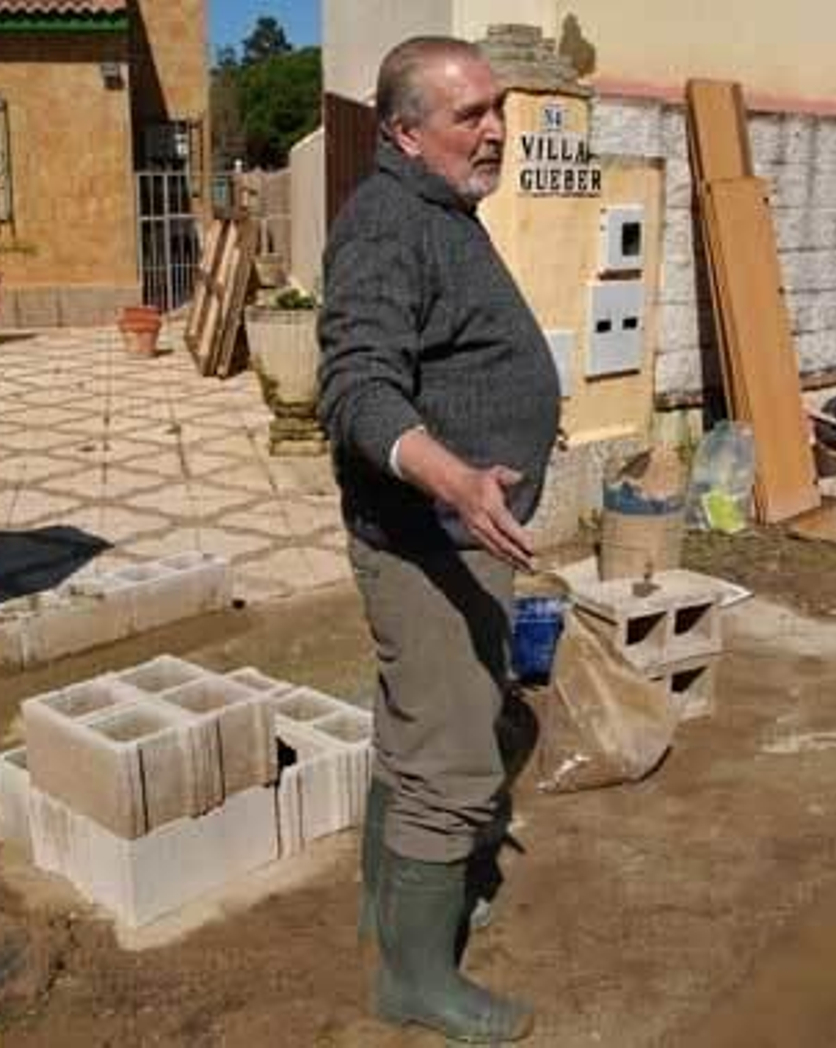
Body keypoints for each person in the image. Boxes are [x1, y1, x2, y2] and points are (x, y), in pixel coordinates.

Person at [318, 34, 561, 1045]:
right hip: (428, 542)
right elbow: (355, 387)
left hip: (455, 537)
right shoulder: (388, 224)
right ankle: (415, 979)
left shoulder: (439, 208)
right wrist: (455, 475)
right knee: (456, 760)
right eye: (470, 115)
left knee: (417, 732)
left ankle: (393, 915)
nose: (496, 128)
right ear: (404, 133)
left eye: (497, 108)